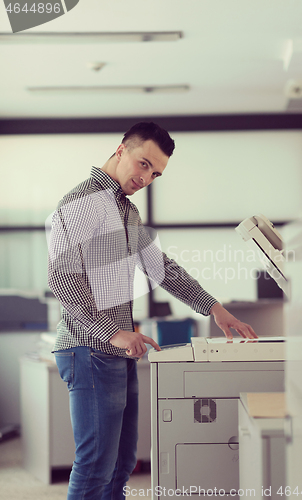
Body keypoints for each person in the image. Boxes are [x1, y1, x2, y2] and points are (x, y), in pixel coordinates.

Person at [47, 121, 257, 500]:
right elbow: (63, 281)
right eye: (144, 164)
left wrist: (214, 308)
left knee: (123, 463)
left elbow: (162, 268)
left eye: (156, 173)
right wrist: (113, 332)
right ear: (121, 150)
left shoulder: (125, 211)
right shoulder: (82, 204)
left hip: (118, 350)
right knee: (95, 464)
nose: (147, 177)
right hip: (89, 348)